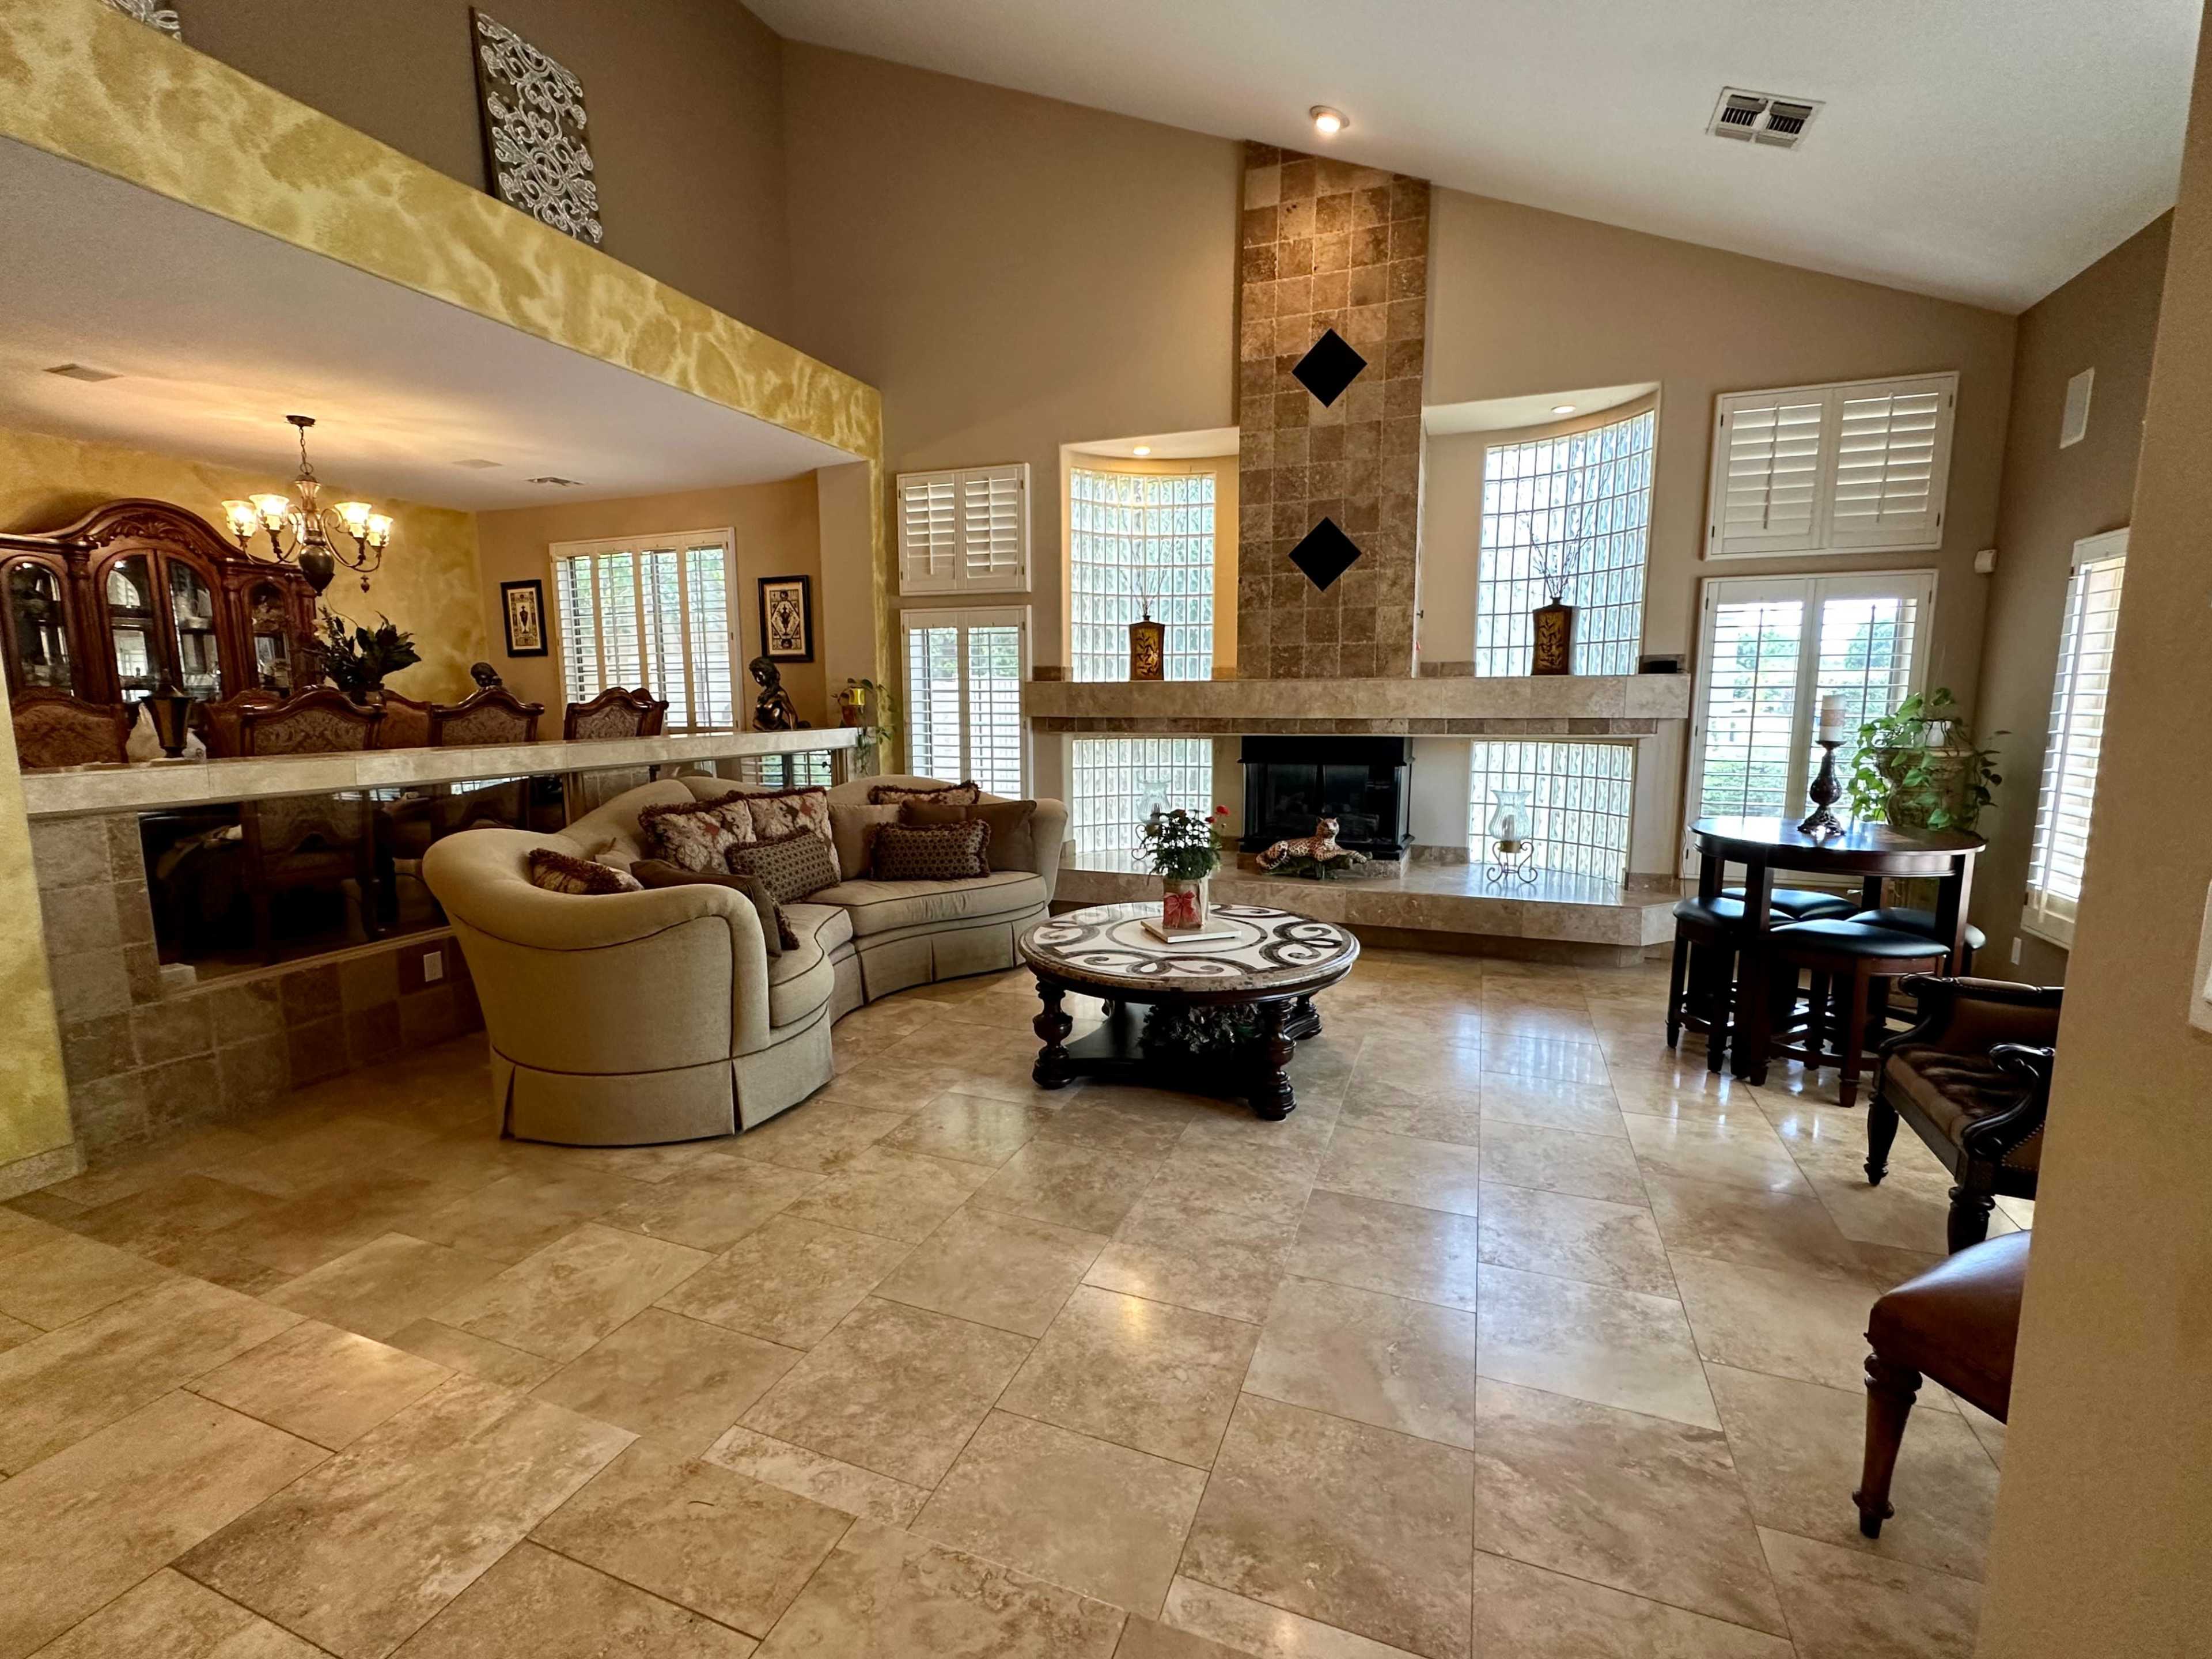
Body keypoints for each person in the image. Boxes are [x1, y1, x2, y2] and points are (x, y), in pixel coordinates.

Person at [749, 654, 806, 732]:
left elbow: (792, 714)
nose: (757, 680)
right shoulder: (763, 695)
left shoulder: (780, 694)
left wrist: (793, 734)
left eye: (759, 676)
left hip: (780, 733)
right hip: (768, 734)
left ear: (768, 673)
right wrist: (767, 731)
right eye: (755, 677)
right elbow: (755, 720)